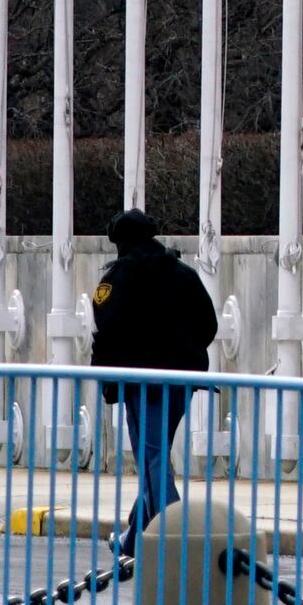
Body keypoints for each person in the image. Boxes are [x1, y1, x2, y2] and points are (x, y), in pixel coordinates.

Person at [87, 208, 218, 546]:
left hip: (142, 383)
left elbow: (106, 330)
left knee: (153, 457)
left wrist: (109, 377)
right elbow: (208, 324)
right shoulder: (184, 274)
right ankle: (135, 537)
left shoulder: (117, 278)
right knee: (155, 454)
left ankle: (175, 537)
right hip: (182, 379)